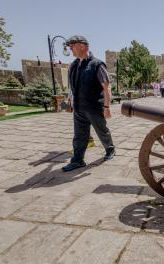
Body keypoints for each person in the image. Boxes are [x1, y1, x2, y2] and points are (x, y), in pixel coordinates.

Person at [62, 35, 115, 172]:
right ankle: (78, 160)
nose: (71, 49)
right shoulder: (73, 65)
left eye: (73, 46)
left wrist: (107, 107)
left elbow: (106, 86)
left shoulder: (97, 64)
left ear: (82, 46)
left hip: (94, 107)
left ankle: (110, 149)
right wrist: (70, 101)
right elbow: (72, 86)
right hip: (79, 107)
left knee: (102, 130)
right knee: (79, 136)